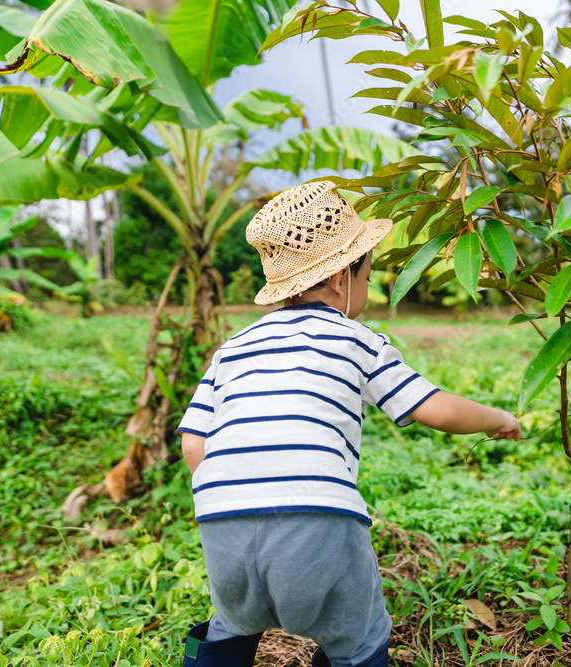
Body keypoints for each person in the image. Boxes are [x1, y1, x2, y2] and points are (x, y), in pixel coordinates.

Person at [176, 180, 521, 667]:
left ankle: (207, 658)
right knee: (357, 636)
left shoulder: (232, 348)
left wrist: (237, 491)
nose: (367, 286)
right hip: (319, 518)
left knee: (230, 623)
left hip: (218, 519)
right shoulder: (356, 339)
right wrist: (499, 418)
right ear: (341, 278)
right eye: (367, 274)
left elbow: (195, 443)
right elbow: (437, 409)